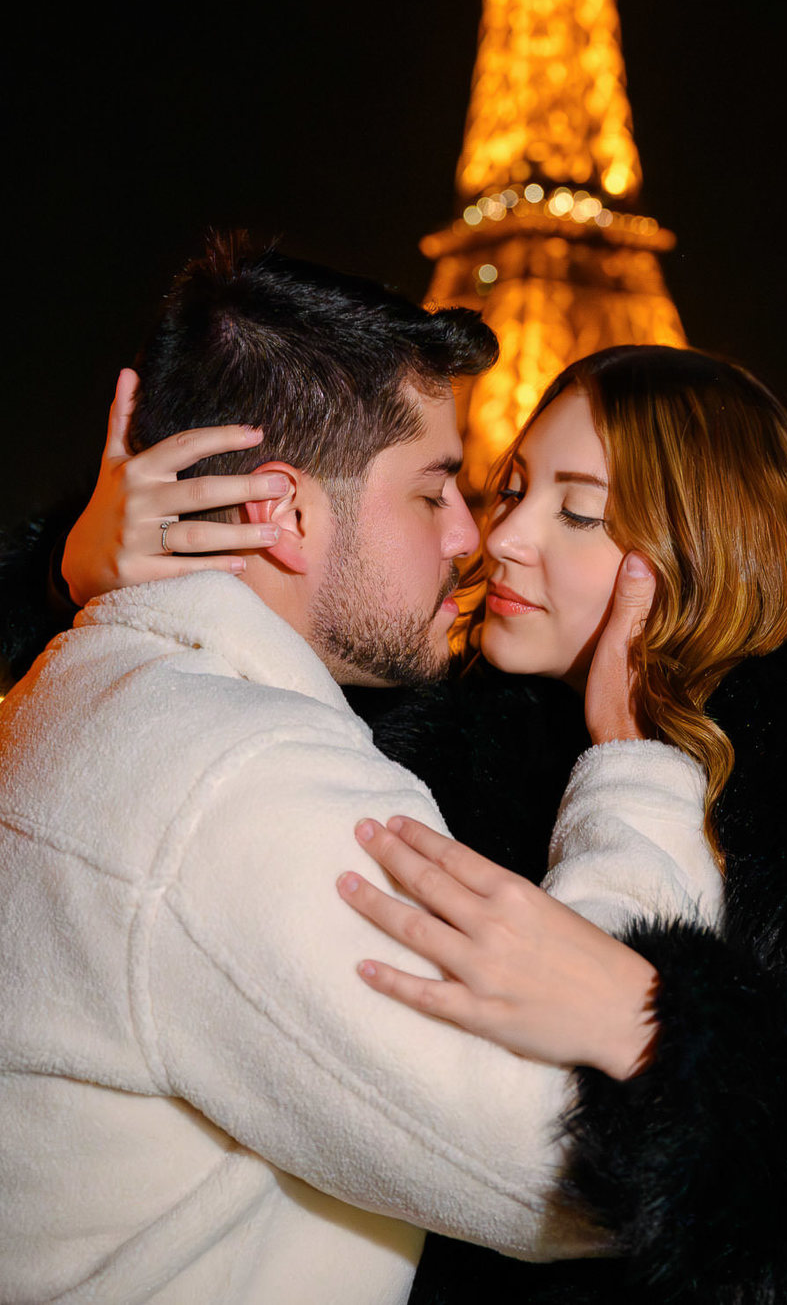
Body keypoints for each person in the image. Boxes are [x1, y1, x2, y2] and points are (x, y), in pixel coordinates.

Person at [50, 335, 787, 1303]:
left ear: (699, 548)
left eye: (579, 514)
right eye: (512, 489)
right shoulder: (418, 729)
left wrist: (668, 1041)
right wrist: (86, 579)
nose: (501, 538)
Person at [0, 242, 724, 1305]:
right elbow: (575, 1165)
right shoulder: (245, 787)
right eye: (436, 491)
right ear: (286, 513)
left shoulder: (83, 694)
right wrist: (634, 765)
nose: (474, 537)